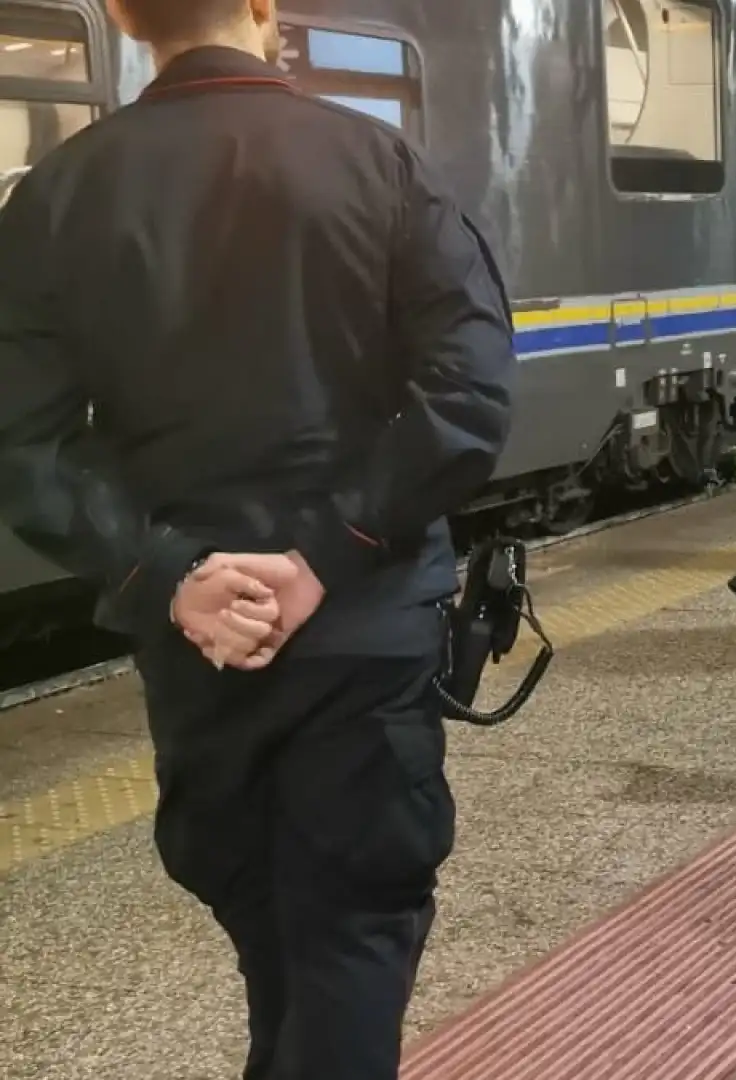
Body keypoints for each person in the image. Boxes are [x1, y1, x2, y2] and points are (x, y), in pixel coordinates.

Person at [0, 0, 517, 1075]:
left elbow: (22, 443)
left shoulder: (55, 194)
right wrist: (329, 553)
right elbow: (466, 397)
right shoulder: (382, 166)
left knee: (272, 933)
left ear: (120, 15)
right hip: (366, 634)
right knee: (351, 939)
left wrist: (167, 576)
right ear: (266, 6)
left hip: (201, 652)